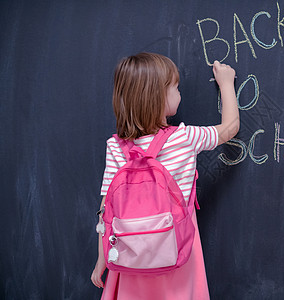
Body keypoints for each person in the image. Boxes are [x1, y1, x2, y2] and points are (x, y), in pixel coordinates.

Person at [90, 52, 239, 299]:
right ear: (159, 97)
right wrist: (226, 83)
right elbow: (230, 128)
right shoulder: (185, 138)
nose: (180, 93)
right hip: (177, 252)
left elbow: (106, 209)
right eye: (176, 87)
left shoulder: (115, 146)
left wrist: (103, 259)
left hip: (130, 255)